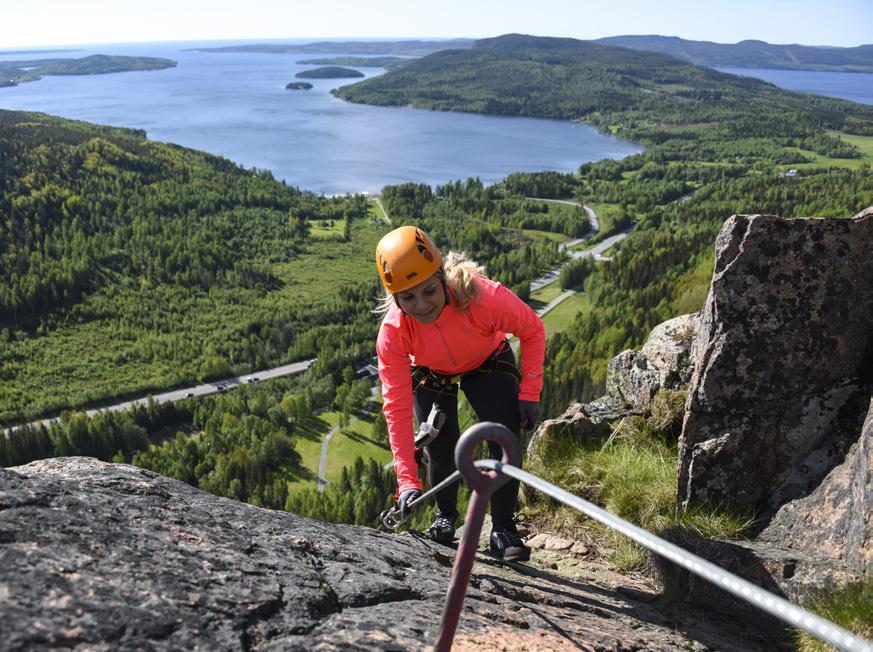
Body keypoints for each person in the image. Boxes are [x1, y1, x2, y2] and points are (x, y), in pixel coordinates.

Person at [375, 225, 545, 561]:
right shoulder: (394, 332)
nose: (421, 305)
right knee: (440, 448)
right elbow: (395, 406)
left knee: (503, 436)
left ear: (442, 280)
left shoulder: (482, 298)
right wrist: (407, 482)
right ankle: (445, 517)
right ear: (394, 299)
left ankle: (503, 528)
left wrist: (529, 392)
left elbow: (532, 329)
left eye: (428, 291)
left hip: (487, 361)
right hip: (430, 372)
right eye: (407, 297)